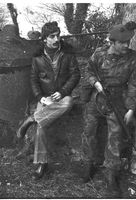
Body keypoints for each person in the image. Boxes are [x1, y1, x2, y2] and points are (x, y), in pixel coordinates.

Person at [16, 21, 80, 180]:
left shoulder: (68, 53)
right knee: (42, 126)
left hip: (61, 97)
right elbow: (33, 80)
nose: (56, 39)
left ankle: (31, 119)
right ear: (44, 39)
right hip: (45, 98)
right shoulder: (37, 57)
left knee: (69, 102)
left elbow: (75, 75)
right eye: (52, 36)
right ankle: (42, 163)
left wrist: (63, 92)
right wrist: (40, 98)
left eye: (58, 35)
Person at [82, 21, 136, 196]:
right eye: (122, 43)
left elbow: (133, 85)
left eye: (128, 42)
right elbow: (88, 71)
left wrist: (131, 108)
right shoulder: (99, 53)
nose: (126, 46)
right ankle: (89, 163)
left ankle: (110, 175)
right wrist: (95, 83)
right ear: (112, 42)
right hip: (96, 98)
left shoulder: (133, 58)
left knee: (116, 136)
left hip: (117, 100)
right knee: (89, 130)